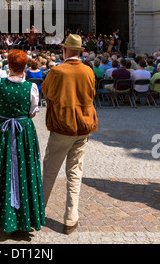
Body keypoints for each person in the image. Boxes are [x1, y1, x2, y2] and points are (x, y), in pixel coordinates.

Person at [0, 49, 45, 234]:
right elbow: (31, 113)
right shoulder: (30, 87)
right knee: (25, 170)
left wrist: (7, 116)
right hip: (23, 133)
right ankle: (25, 218)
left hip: (2, 130)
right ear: (24, 67)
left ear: (9, 66)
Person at [41, 34, 97, 235]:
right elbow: (91, 94)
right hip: (83, 126)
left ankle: (40, 211)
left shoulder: (57, 71)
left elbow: (46, 92)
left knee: (49, 170)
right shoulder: (88, 71)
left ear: (64, 51)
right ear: (80, 51)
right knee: (75, 172)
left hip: (62, 127)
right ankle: (70, 218)